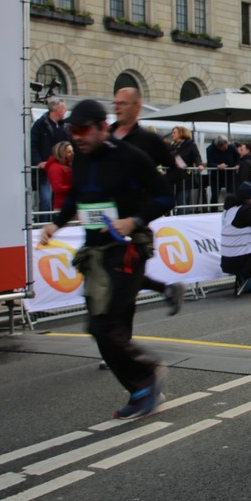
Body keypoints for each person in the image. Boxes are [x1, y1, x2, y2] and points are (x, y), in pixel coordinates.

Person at [37, 99, 175, 419]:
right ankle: (141, 387)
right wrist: (56, 224)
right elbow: (77, 197)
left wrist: (134, 220)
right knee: (100, 327)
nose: (77, 137)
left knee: (105, 323)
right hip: (95, 252)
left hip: (127, 247)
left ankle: (146, 376)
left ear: (102, 127)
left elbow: (165, 196)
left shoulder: (131, 157)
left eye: (83, 130)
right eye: (72, 131)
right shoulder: (81, 156)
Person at [111, 87, 185, 315]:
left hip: (135, 220)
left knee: (126, 283)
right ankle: (167, 289)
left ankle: (122, 333)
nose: (117, 107)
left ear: (137, 107)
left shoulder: (148, 140)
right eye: (115, 103)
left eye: (123, 103)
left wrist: (156, 183)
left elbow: (179, 168)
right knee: (112, 277)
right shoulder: (106, 136)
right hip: (105, 220)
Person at [29, 97, 68, 213]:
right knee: (46, 200)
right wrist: (38, 161)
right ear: (57, 109)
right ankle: (43, 222)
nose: (65, 110)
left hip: (61, 170)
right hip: (46, 170)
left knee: (58, 201)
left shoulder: (64, 126)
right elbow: (32, 144)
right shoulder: (40, 125)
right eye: (63, 108)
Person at [167, 125, 202, 209]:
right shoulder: (173, 146)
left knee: (182, 201)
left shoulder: (190, 145)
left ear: (181, 133)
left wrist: (199, 164)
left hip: (184, 178)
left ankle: (182, 215)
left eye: (174, 132)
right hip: (173, 178)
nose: (172, 134)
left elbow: (196, 156)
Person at [205, 136, 237, 206]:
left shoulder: (231, 147)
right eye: (224, 147)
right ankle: (213, 209)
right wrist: (217, 166)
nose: (226, 148)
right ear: (218, 146)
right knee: (215, 194)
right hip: (216, 175)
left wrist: (237, 164)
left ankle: (231, 208)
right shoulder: (210, 149)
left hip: (230, 174)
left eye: (227, 145)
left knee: (231, 194)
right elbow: (210, 163)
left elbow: (238, 157)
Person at [45, 140, 73, 210]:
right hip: (63, 205)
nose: (72, 154)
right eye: (69, 152)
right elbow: (57, 188)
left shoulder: (69, 165)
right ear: (62, 153)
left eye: (72, 151)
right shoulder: (55, 168)